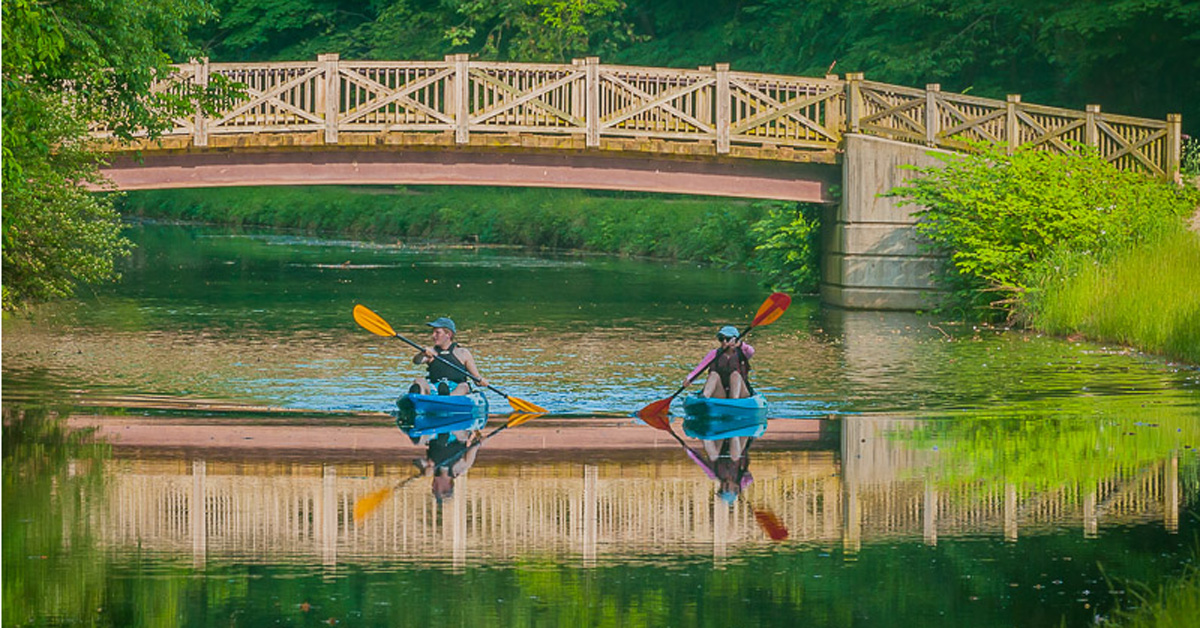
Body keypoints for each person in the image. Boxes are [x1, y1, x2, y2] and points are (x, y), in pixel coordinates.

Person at [408, 316, 489, 396]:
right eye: (433, 332)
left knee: (464, 386)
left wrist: (480, 381)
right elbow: (417, 361)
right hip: (435, 388)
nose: (433, 335)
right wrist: (421, 353)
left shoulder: (462, 353)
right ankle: (419, 398)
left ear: (448, 334)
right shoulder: (431, 352)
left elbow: (476, 377)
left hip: (456, 389)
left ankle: (446, 397)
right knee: (419, 380)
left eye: (437, 332)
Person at [682, 325, 755, 399]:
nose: (724, 342)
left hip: (741, 393)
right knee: (713, 374)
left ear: (735, 340)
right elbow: (699, 369)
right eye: (721, 339)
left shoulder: (743, 352)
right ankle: (704, 398)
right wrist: (689, 379)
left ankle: (734, 402)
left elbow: (751, 351)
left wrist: (739, 344)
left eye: (727, 339)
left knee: (735, 374)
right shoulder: (714, 353)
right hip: (721, 392)